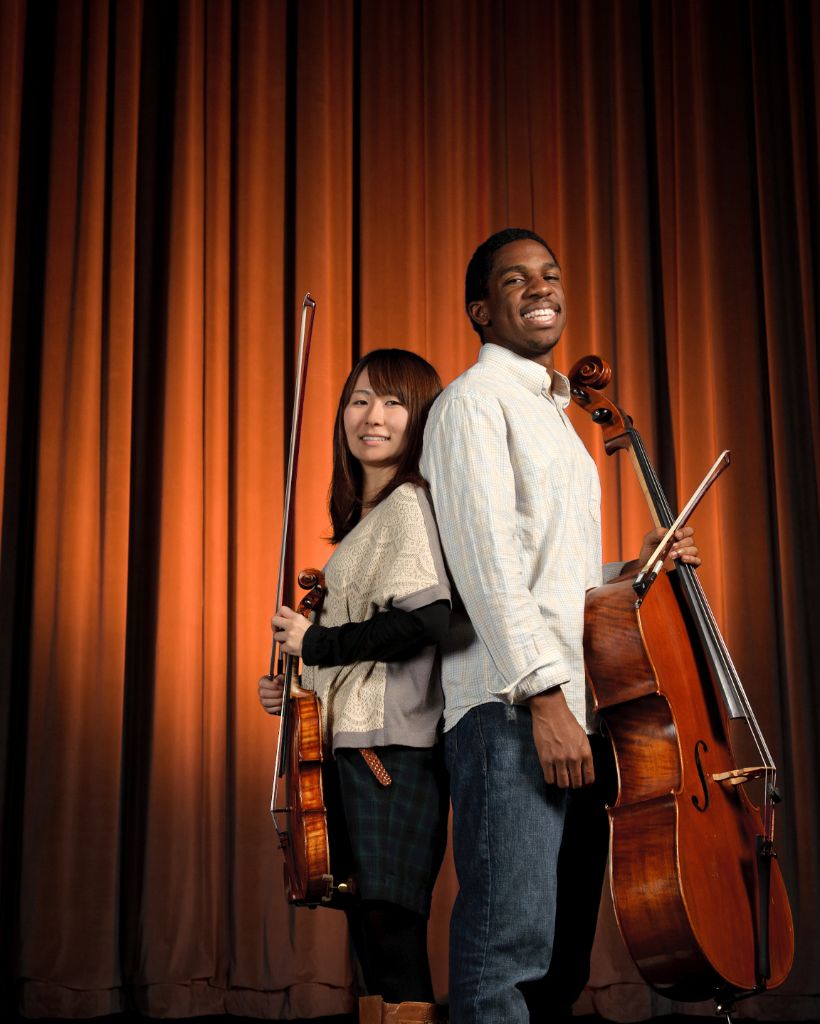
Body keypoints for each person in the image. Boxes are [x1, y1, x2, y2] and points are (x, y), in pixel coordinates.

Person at [420, 228, 701, 1023]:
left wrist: (635, 570)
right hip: (514, 713)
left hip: (579, 711)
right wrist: (544, 700)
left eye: (549, 274)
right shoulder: (473, 405)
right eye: (516, 280)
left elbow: (553, 579)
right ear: (481, 309)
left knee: (559, 961)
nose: (540, 287)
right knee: (507, 953)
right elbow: (488, 566)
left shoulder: (560, 421)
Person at [258, 349, 451, 1024]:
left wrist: (318, 643)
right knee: (369, 935)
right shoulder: (363, 528)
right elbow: (358, 647)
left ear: (421, 417)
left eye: (394, 402)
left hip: (391, 752)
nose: (373, 416)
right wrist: (303, 682)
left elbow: (427, 619)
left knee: (390, 929)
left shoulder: (407, 506)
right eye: (361, 399)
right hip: (356, 745)